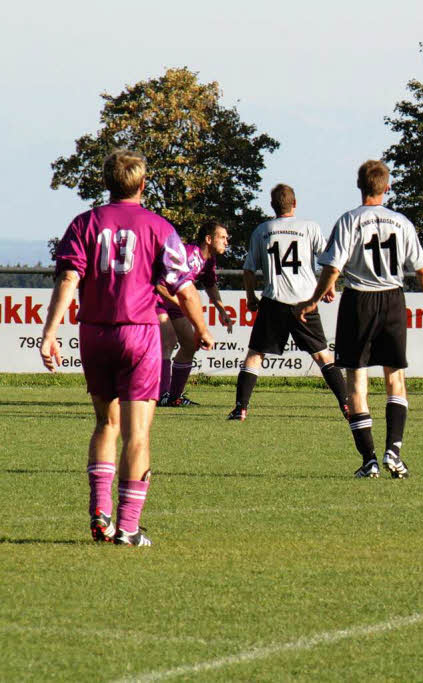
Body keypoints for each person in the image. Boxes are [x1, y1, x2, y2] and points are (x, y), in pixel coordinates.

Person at [40, 149, 213, 547]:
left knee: (105, 424)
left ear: (107, 182)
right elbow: (184, 288)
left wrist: (50, 332)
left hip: (95, 334)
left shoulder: (85, 223)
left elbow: (68, 278)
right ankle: (129, 527)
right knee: (138, 434)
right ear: (142, 183)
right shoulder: (157, 226)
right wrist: (202, 329)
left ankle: (100, 512)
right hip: (138, 334)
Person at [297, 160, 423, 479]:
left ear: (359, 185)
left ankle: (370, 461)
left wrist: (316, 297)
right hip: (393, 299)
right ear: (387, 187)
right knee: (396, 378)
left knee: (357, 381)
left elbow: (333, 269)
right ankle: (394, 452)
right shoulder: (401, 222)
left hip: (358, 301)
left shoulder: (349, 220)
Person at [227, 184, 348, 421]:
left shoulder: (263, 230)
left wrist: (251, 298)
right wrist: (329, 288)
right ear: (295, 204)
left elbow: (249, 270)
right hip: (304, 302)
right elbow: (327, 261)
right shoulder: (309, 227)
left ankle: (241, 408)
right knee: (323, 356)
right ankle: (346, 405)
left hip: (273, 301)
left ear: (272, 206)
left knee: (255, 355)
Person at [156, 219, 235, 407]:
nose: (226, 241)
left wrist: (222, 310)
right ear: (209, 239)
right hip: (157, 299)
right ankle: (160, 395)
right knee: (167, 342)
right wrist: (182, 303)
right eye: (222, 237)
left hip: (175, 302)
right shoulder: (190, 254)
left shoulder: (208, 261)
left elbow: (210, 284)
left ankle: (174, 396)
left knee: (190, 345)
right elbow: (159, 284)